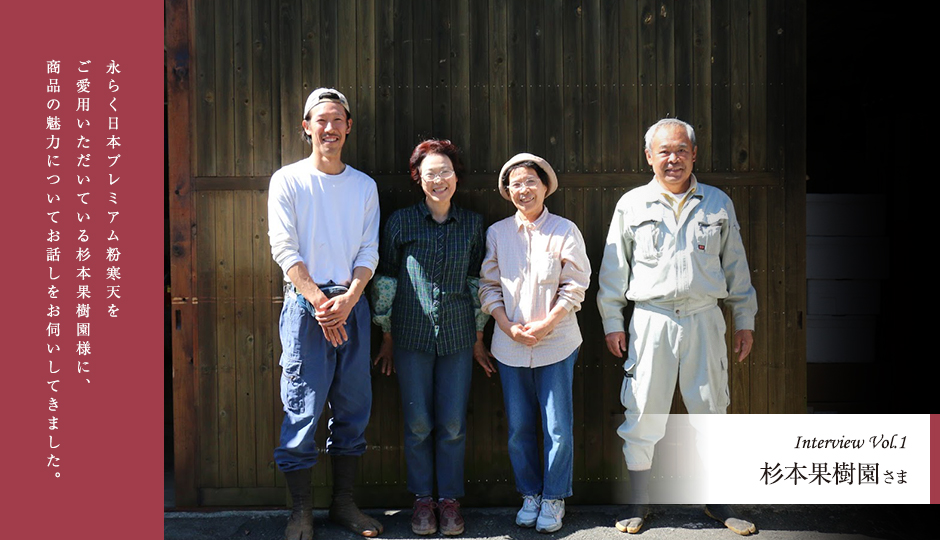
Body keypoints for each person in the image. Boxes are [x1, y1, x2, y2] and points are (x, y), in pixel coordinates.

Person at [597, 118, 758, 535]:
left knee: (711, 410)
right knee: (643, 409)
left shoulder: (717, 202)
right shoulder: (631, 205)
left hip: (705, 317)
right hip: (651, 320)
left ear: (694, 155)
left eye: (681, 150)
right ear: (648, 156)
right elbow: (614, 270)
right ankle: (639, 502)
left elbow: (736, 266)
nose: (673, 159)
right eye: (664, 151)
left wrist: (745, 319)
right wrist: (613, 320)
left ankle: (717, 502)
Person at [268, 87, 384, 539]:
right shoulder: (288, 180)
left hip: (352, 305)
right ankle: (300, 510)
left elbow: (368, 249)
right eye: (321, 120)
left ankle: (343, 505)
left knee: (353, 407)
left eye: (338, 120)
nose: (330, 128)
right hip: (305, 308)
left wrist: (350, 299)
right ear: (307, 127)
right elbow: (284, 247)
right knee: (302, 406)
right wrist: (319, 301)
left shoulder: (363, 185)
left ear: (348, 126)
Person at [371, 139, 491, 536]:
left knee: (453, 423)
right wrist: (386, 336)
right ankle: (423, 499)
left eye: (445, 172)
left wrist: (478, 337)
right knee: (419, 423)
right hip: (409, 336)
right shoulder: (400, 223)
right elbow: (385, 281)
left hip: (458, 337)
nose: (438, 180)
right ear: (418, 179)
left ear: (456, 175)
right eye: (430, 174)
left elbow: (478, 284)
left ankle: (450, 500)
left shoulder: (473, 225)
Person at [479, 153, 591, 534]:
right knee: (519, 426)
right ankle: (530, 493)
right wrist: (507, 326)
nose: (523, 189)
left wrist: (547, 323)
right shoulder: (497, 233)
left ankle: (555, 496)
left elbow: (575, 284)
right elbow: (489, 286)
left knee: (558, 427)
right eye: (515, 183)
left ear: (545, 186)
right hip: (510, 345)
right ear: (507, 191)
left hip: (556, 342)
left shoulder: (564, 230)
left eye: (530, 181)